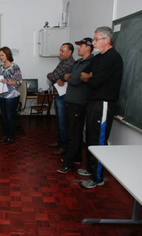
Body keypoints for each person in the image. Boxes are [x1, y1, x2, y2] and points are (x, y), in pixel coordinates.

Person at [79, 26, 123, 188]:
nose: (94, 42)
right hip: (92, 101)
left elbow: (94, 81)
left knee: (98, 139)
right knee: (90, 136)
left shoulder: (113, 57)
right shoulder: (98, 57)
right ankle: (91, 169)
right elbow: (83, 74)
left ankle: (97, 177)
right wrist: (89, 76)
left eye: (97, 39)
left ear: (107, 40)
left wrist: (90, 77)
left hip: (103, 103)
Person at [57, 38, 94, 174]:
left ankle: (68, 162)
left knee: (74, 132)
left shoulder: (91, 62)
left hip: (79, 102)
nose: (78, 48)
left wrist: (71, 76)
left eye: (81, 46)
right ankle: (76, 158)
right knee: (72, 130)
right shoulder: (78, 62)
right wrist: (71, 76)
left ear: (88, 48)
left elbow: (73, 79)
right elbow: (64, 75)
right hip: (71, 100)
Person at [47, 43, 75, 155]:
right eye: (60, 50)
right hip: (59, 93)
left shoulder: (69, 63)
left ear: (70, 52)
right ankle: (60, 141)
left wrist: (53, 76)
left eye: (62, 51)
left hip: (63, 95)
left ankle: (64, 146)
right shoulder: (63, 61)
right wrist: (54, 76)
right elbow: (53, 75)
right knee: (59, 120)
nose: (60, 53)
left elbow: (53, 76)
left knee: (63, 121)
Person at [0, 46, 23, 144]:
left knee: (10, 116)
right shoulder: (1, 67)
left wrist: (7, 82)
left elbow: (19, 82)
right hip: (2, 95)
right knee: (4, 117)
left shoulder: (15, 67)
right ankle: (5, 135)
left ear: (7, 54)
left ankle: (11, 136)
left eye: (2, 55)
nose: (0, 57)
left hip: (12, 95)